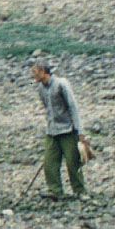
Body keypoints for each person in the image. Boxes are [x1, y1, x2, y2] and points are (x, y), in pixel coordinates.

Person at [31, 61, 89, 200]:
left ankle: (80, 191)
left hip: (68, 130)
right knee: (49, 162)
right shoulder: (41, 88)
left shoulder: (61, 84)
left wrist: (80, 131)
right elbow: (47, 108)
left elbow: (73, 107)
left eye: (36, 72)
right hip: (52, 131)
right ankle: (55, 190)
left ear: (44, 71)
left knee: (72, 162)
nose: (34, 76)